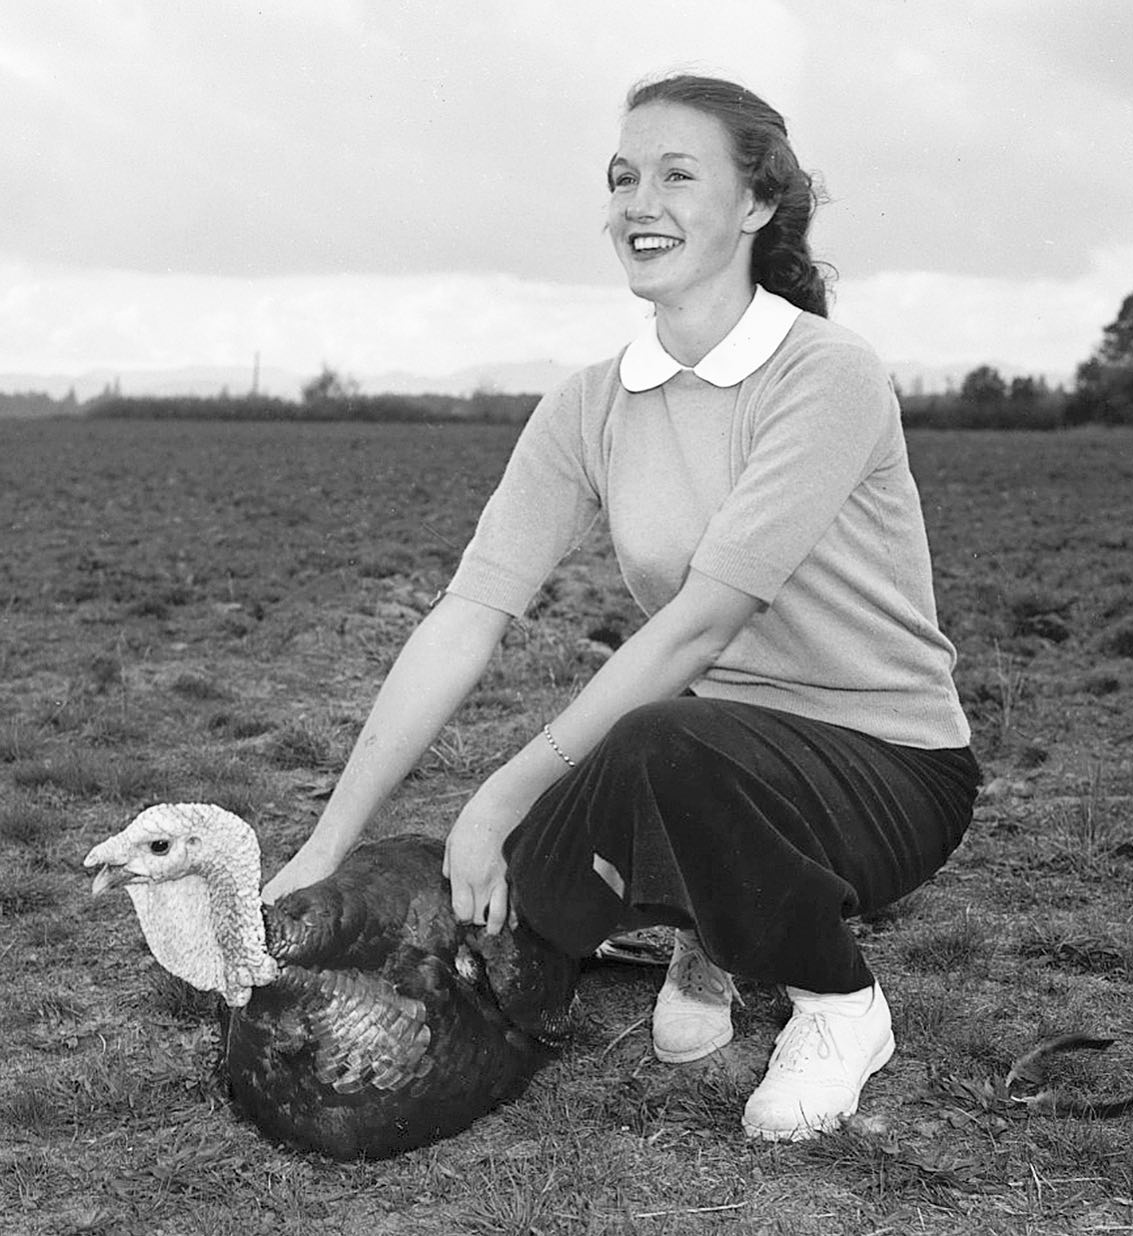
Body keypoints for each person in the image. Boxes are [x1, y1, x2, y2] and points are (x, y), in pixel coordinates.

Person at [263, 73, 980, 1142]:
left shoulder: (826, 373)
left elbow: (703, 622)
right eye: (622, 177)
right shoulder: (590, 403)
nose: (639, 201)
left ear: (755, 203)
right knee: (517, 895)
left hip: (883, 764)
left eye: (677, 175)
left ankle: (839, 1004)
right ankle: (703, 919)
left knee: (651, 745)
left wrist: (499, 795)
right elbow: (467, 615)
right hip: (711, 749)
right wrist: (330, 843)